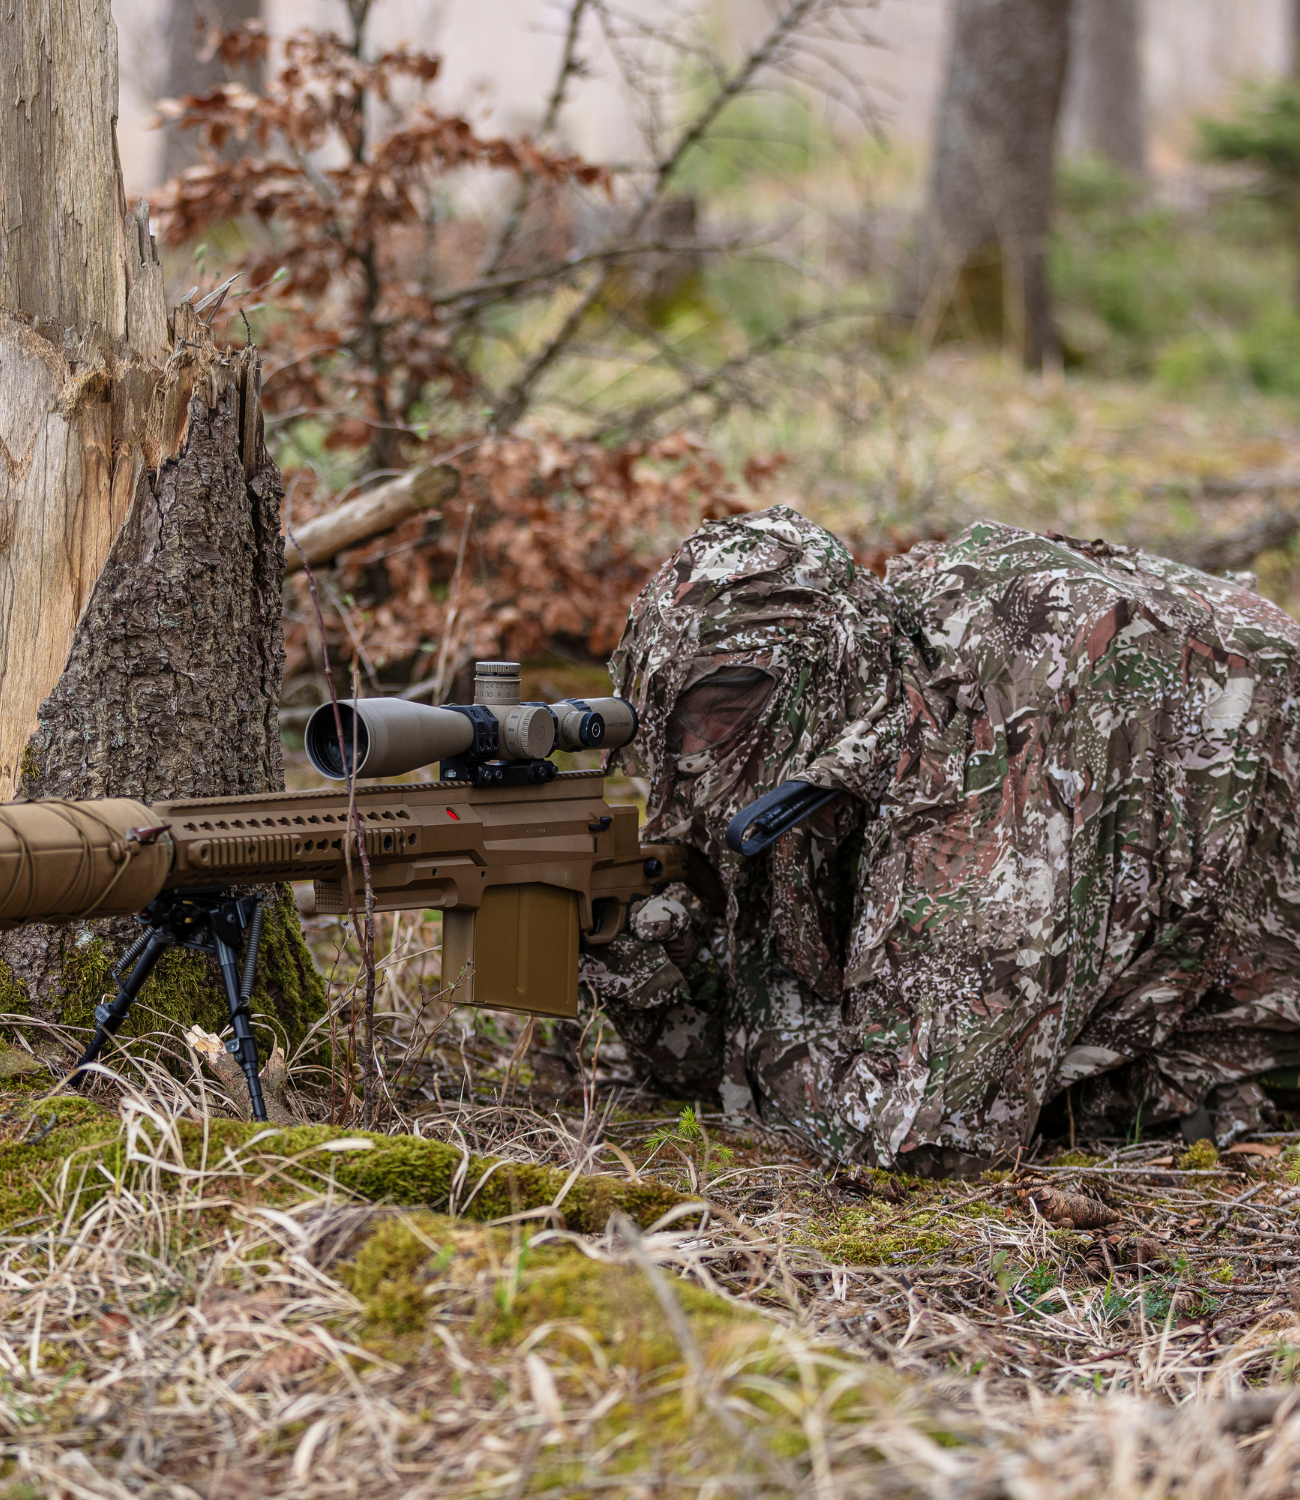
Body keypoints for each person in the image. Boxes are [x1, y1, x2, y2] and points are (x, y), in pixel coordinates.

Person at [578, 506, 1300, 1172]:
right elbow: (709, 1051)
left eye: (719, 709)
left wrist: (754, 1034)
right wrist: (633, 955)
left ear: (823, 677)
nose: (691, 752)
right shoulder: (844, 715)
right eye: (668, 723)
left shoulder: (990, 758)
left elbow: (931, 1142)